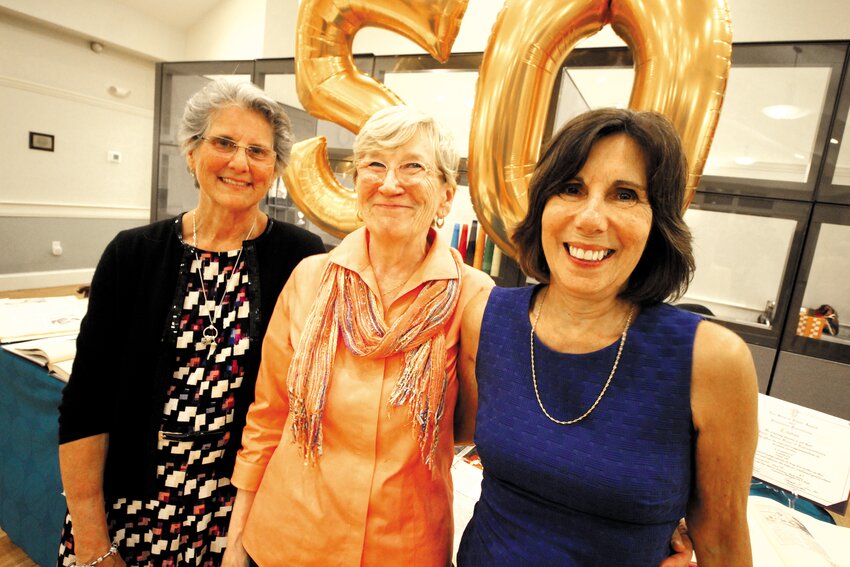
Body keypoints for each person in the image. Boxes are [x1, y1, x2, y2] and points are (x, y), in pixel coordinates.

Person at [222, 105, 695, 567]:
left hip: (403, 546)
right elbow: (268, 416)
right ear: (357, 183)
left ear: (446, 195)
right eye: (374, 165)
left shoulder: (476, 301)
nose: (390, 183)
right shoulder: (309, 278)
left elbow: (489, 426)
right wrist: (237, 536)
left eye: (413, 167)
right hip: (287, 538)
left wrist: (649, 515)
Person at [456, 108, 758, 566]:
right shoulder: (487, 320)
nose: (591, 219)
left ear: (659, 221)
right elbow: (455, 436)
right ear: (542, 206)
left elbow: (722, 537)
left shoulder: (711, 360)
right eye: (572, 188)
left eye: (624, 194)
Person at [57, 78, 325, 566]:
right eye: (223, 142)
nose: (240, 163)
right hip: (134, 506)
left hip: (237, 510)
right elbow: (85, 404)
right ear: (190, 151)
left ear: (274, 169)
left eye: (258, 151)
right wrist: (93, 540)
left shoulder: (300, 257)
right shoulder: (133, 254)